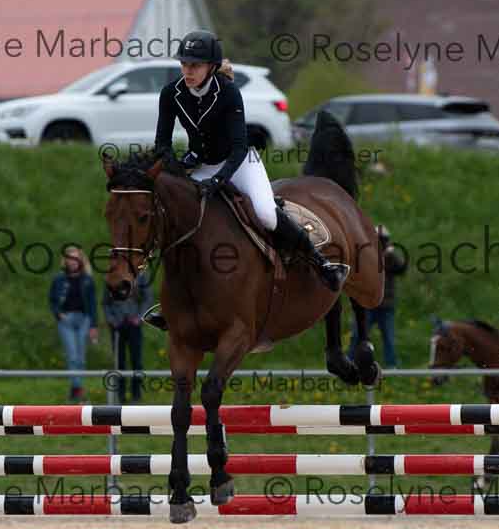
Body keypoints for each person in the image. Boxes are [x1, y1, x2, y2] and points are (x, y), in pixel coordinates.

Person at [152, 30, 348, 292]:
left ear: (211, 67)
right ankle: (173, 292)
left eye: (195, 65)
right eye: (184, 64)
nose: (188, 71)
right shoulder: (170, 93)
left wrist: (218, 180)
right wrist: (174, 168)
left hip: (241, 162)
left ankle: (322, 264)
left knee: (266, 214)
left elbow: (239, 147)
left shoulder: (228, 92)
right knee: (175, 214)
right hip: (201, 164)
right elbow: (162, 144)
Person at [349, 225, 406, 366]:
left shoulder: (390, 258)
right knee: (358, 336)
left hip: (386, 305)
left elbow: (401, 269)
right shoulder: (365, 255)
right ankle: (349, 362)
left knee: (389, 338)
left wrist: (391, 255)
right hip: (367, 304)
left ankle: (391, 365)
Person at [49, 247, 98, 402]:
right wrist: (58, 313)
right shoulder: (59, 279)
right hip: (66, 320)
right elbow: (52, 300)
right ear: (66, 261)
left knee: (81, 357)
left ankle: (75, 390)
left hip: (83, 319)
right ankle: (78, 390)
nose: (73, 261)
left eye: (76, 258)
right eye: (70, 258)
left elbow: (92, 304)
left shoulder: (88, 280)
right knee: (72, 356)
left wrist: (93, 326)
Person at [102, 269, 153, 402]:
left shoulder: (141, 275)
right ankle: (121, 395)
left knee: (137, 360)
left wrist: (140, 317)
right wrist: (112, 320)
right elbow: (105, 303)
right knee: (119, 361)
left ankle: (136, 394)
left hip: (134, 324)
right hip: (117, 325)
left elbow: (147, 298)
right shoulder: (112, 275)